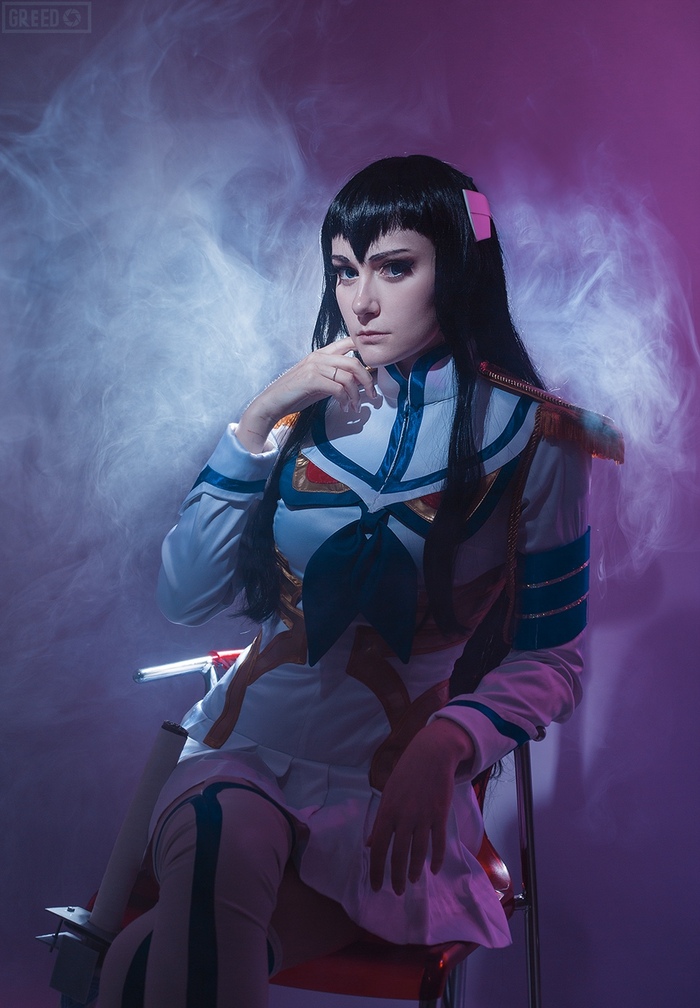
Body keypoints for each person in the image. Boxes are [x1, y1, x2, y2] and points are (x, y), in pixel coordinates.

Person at [97, 154, 621, 1007]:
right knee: (219, 824)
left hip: (384, 790)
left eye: (394, 268)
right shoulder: (299, 408)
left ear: (460, 267)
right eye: (344, 271)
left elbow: (552, 659)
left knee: (144, 965)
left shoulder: (542, 439)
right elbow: (184, 599)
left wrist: (451, 742)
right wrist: (255, 423)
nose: (361, 302)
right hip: (239, 749)